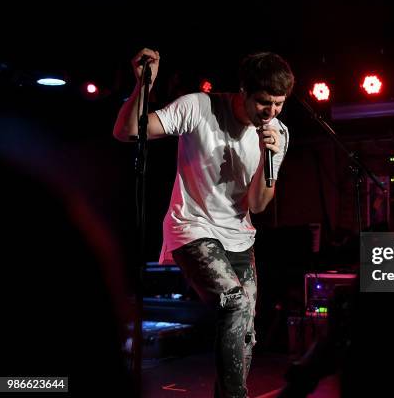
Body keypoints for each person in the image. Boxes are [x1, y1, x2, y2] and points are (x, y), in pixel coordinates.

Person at [113, 47, 294, 398]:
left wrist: (269, 159)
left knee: (246, 332)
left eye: (278, 104)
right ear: (243, 91)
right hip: (191, 226)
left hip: (240, 237)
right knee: (235, 303)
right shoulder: (200, 107)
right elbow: (127, 131)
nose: (270, 112)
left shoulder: (278, 134)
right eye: (263, 103)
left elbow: (257, 203)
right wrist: (142, 88)